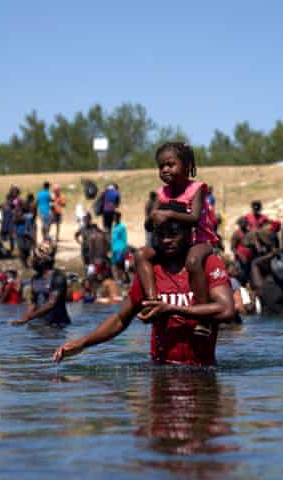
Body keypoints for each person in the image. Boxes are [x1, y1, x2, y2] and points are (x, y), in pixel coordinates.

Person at [52, 216, 234, 367]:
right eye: (160, 235)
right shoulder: (150, 274)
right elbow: (120, 319)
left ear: (188, 234)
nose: (166, 240)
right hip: (163, 370)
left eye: (173, 234)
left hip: (202, 370)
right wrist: (83, 343)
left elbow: (226, 310)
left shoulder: (207, 264)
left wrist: (172, 309)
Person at [136, 143, 219, 337]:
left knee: (193, 261)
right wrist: (152, 217)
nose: (165, 170)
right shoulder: (161, 193)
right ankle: (152, 303)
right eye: (161, 166)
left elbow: (195, 218)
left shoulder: (196, 188)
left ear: (187, 165)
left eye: (171, 164)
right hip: (172, 243)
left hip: (199, 240)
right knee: (141, 254)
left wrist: (170, 214)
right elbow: (148, 225)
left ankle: (203, 317)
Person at [10, 242, 71, 326]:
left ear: (42, 260)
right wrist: (23, 319)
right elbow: (33, 304)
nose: (32, 262)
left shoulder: (58, 277)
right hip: (42, 323)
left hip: (59, 325)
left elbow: (51, 304)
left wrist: (29, 318)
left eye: (34, 258)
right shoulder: (35, 278)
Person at [110, 211, 128, 283]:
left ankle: (123, 279)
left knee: (120, 266)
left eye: (115, 217)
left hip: (120, 249)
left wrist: (124, 249)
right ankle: (117, 280)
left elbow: (124, 239)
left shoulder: (122, 227)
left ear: (119, 218)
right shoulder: (113, 226)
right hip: (114, 249)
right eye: (113, 217)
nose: (114, 218)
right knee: (113, 265)